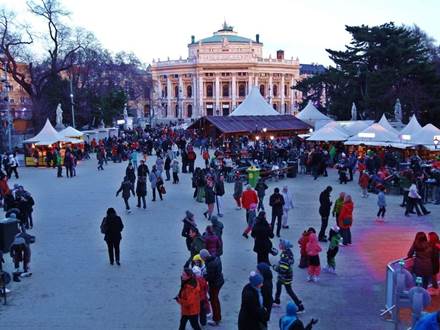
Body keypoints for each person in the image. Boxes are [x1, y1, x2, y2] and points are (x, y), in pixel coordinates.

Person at [273, 239, 305, 312]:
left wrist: (275, 268)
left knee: (289, 291)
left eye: (281, 244)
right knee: (278, 286)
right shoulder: (287, 253)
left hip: (285, 277)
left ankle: (300, 306)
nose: (279, 245)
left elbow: (283, 268)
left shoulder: (285, 255)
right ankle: (277, 301)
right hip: (284, 276)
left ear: (284, 246)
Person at [200, 249, 224, 326]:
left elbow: (211, 277)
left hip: (215, 284)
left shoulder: (210, 264)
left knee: (214, 301)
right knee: (216, 299)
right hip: (220, 280)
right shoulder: (216, 258)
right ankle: (218, 317)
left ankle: (216, 319)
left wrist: (203, 277)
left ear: (204, 257)